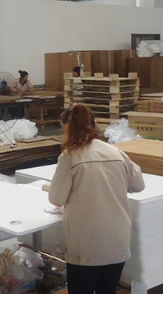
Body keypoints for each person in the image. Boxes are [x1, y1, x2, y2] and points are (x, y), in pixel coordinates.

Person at [49, 103, 145, 294]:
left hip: (87, 244)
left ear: (67, 129)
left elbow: (56, 199)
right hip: (118, 239)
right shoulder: (115, 152)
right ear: (94, 124)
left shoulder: (69, 157)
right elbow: (138, 185)